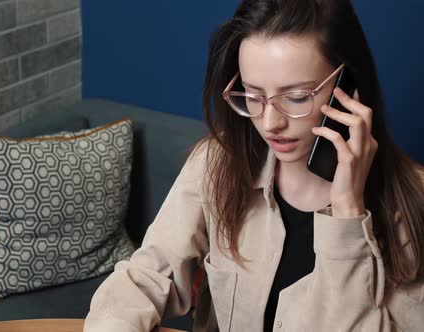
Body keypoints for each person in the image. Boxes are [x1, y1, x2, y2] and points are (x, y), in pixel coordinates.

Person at [84, 0, 424, 331]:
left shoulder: (412, 204)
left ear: (348, 88)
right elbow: (149, 276)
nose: (270, 122)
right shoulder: (217, 162)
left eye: (296, 97)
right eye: (253, 95)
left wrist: (349, 213)